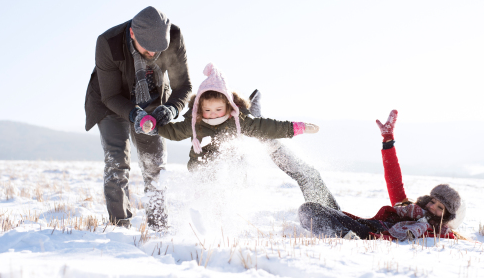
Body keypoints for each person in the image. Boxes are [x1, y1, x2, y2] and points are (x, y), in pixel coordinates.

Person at [138, 63, 340, 209]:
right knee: (207, 191)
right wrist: (154, 127)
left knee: (230, 177)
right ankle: (203, 216)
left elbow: (267, 127)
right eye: (208, 110)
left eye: (218, 109)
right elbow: (173, 132)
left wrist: (296, 128)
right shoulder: (195, 123)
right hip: (201, 169)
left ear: (228, 105)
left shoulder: (239, 120)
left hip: (231, 166)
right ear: (200, 109)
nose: (213, 114)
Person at [84, 6, 192, 231]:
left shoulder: (173, 37)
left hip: (152, 100)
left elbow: (184, 86)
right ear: (132, 34)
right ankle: (119, 226)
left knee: (154, 165)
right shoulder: (108, 42)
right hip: (111, 104)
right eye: (148, 48)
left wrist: (171, 109)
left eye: (158, 49)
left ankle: (158, 228)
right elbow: (111, 95)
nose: (154, 54)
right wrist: (134, 114)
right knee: (117, 161)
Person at [297, 110, 464, 240]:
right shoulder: (408, 209)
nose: (432, 206)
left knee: (309, 209)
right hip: (361, 224)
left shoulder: (435, 231)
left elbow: (450, 237)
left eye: (440, 208)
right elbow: (394, 180)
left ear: (447, 217)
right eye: (433, 201)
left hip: (366, 233)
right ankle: (278, 151)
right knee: (312, 187)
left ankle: (345, 237)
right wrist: (388, 140)